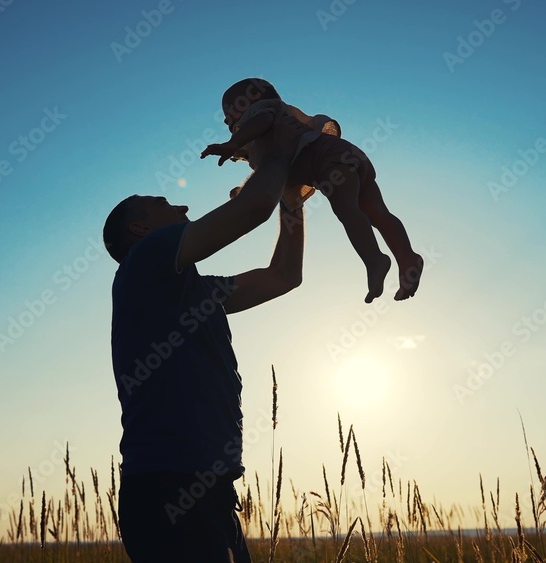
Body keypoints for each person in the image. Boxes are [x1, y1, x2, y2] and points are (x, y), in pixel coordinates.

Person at [102, 105, 305, 562]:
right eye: (163, 204)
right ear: (142, 228)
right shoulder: (146, 258)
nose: (183, 206)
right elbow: (251, 208)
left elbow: (283, 276)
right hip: (167, 488)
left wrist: (291, 198)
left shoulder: (194, 292)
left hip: (206, 489)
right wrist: (282, 152)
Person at [201, 77, 424, 304]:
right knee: (377, 212)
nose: (227, 120)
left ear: (253, 99)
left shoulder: (261, 113)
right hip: (344, 154)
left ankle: (374, 259)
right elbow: (263, 172)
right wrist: (242, 188)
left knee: (347, 209)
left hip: (327, 160)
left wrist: (232, 143)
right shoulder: (268, 130)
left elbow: (261, 124)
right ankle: (407, 257)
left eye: (230, 111)